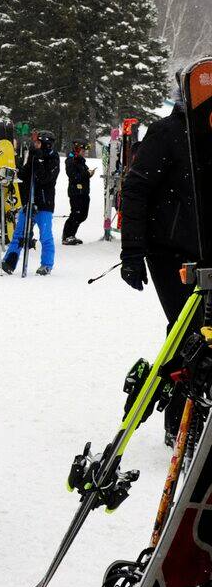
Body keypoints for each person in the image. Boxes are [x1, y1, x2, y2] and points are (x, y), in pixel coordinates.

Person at [120, 84, 199, 444]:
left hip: (203, 249)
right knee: (189, 330)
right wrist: (132, 253)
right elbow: (136, 189)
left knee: (202, 333)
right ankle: (181, 418)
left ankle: (193, 409)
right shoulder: (168, 132)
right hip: (168, 250)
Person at [0, 129, 59, 275]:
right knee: (19, 233)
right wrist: (29, 158)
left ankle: (47, 264)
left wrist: (37, 158)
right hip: (29, 201)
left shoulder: (53, 159)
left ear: (45, 144)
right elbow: (24, 174)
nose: (35, 144)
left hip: (44, 203)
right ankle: (9, 262)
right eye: (35, 142)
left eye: (38, 142)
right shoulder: (35, 156)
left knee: (45, 235)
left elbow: (45, 178)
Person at [62, 140, 94, 244]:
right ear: (78, 149)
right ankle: (67, 236)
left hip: (84, 191)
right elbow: (73, 176)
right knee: (76, 213)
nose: (84, 153)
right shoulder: (71, 160)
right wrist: (86, 174)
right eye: (83, 150)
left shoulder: (81, 160)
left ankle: (72, 234)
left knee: (83, 215)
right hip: (76, 192)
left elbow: (82, 174)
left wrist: (89, 173)